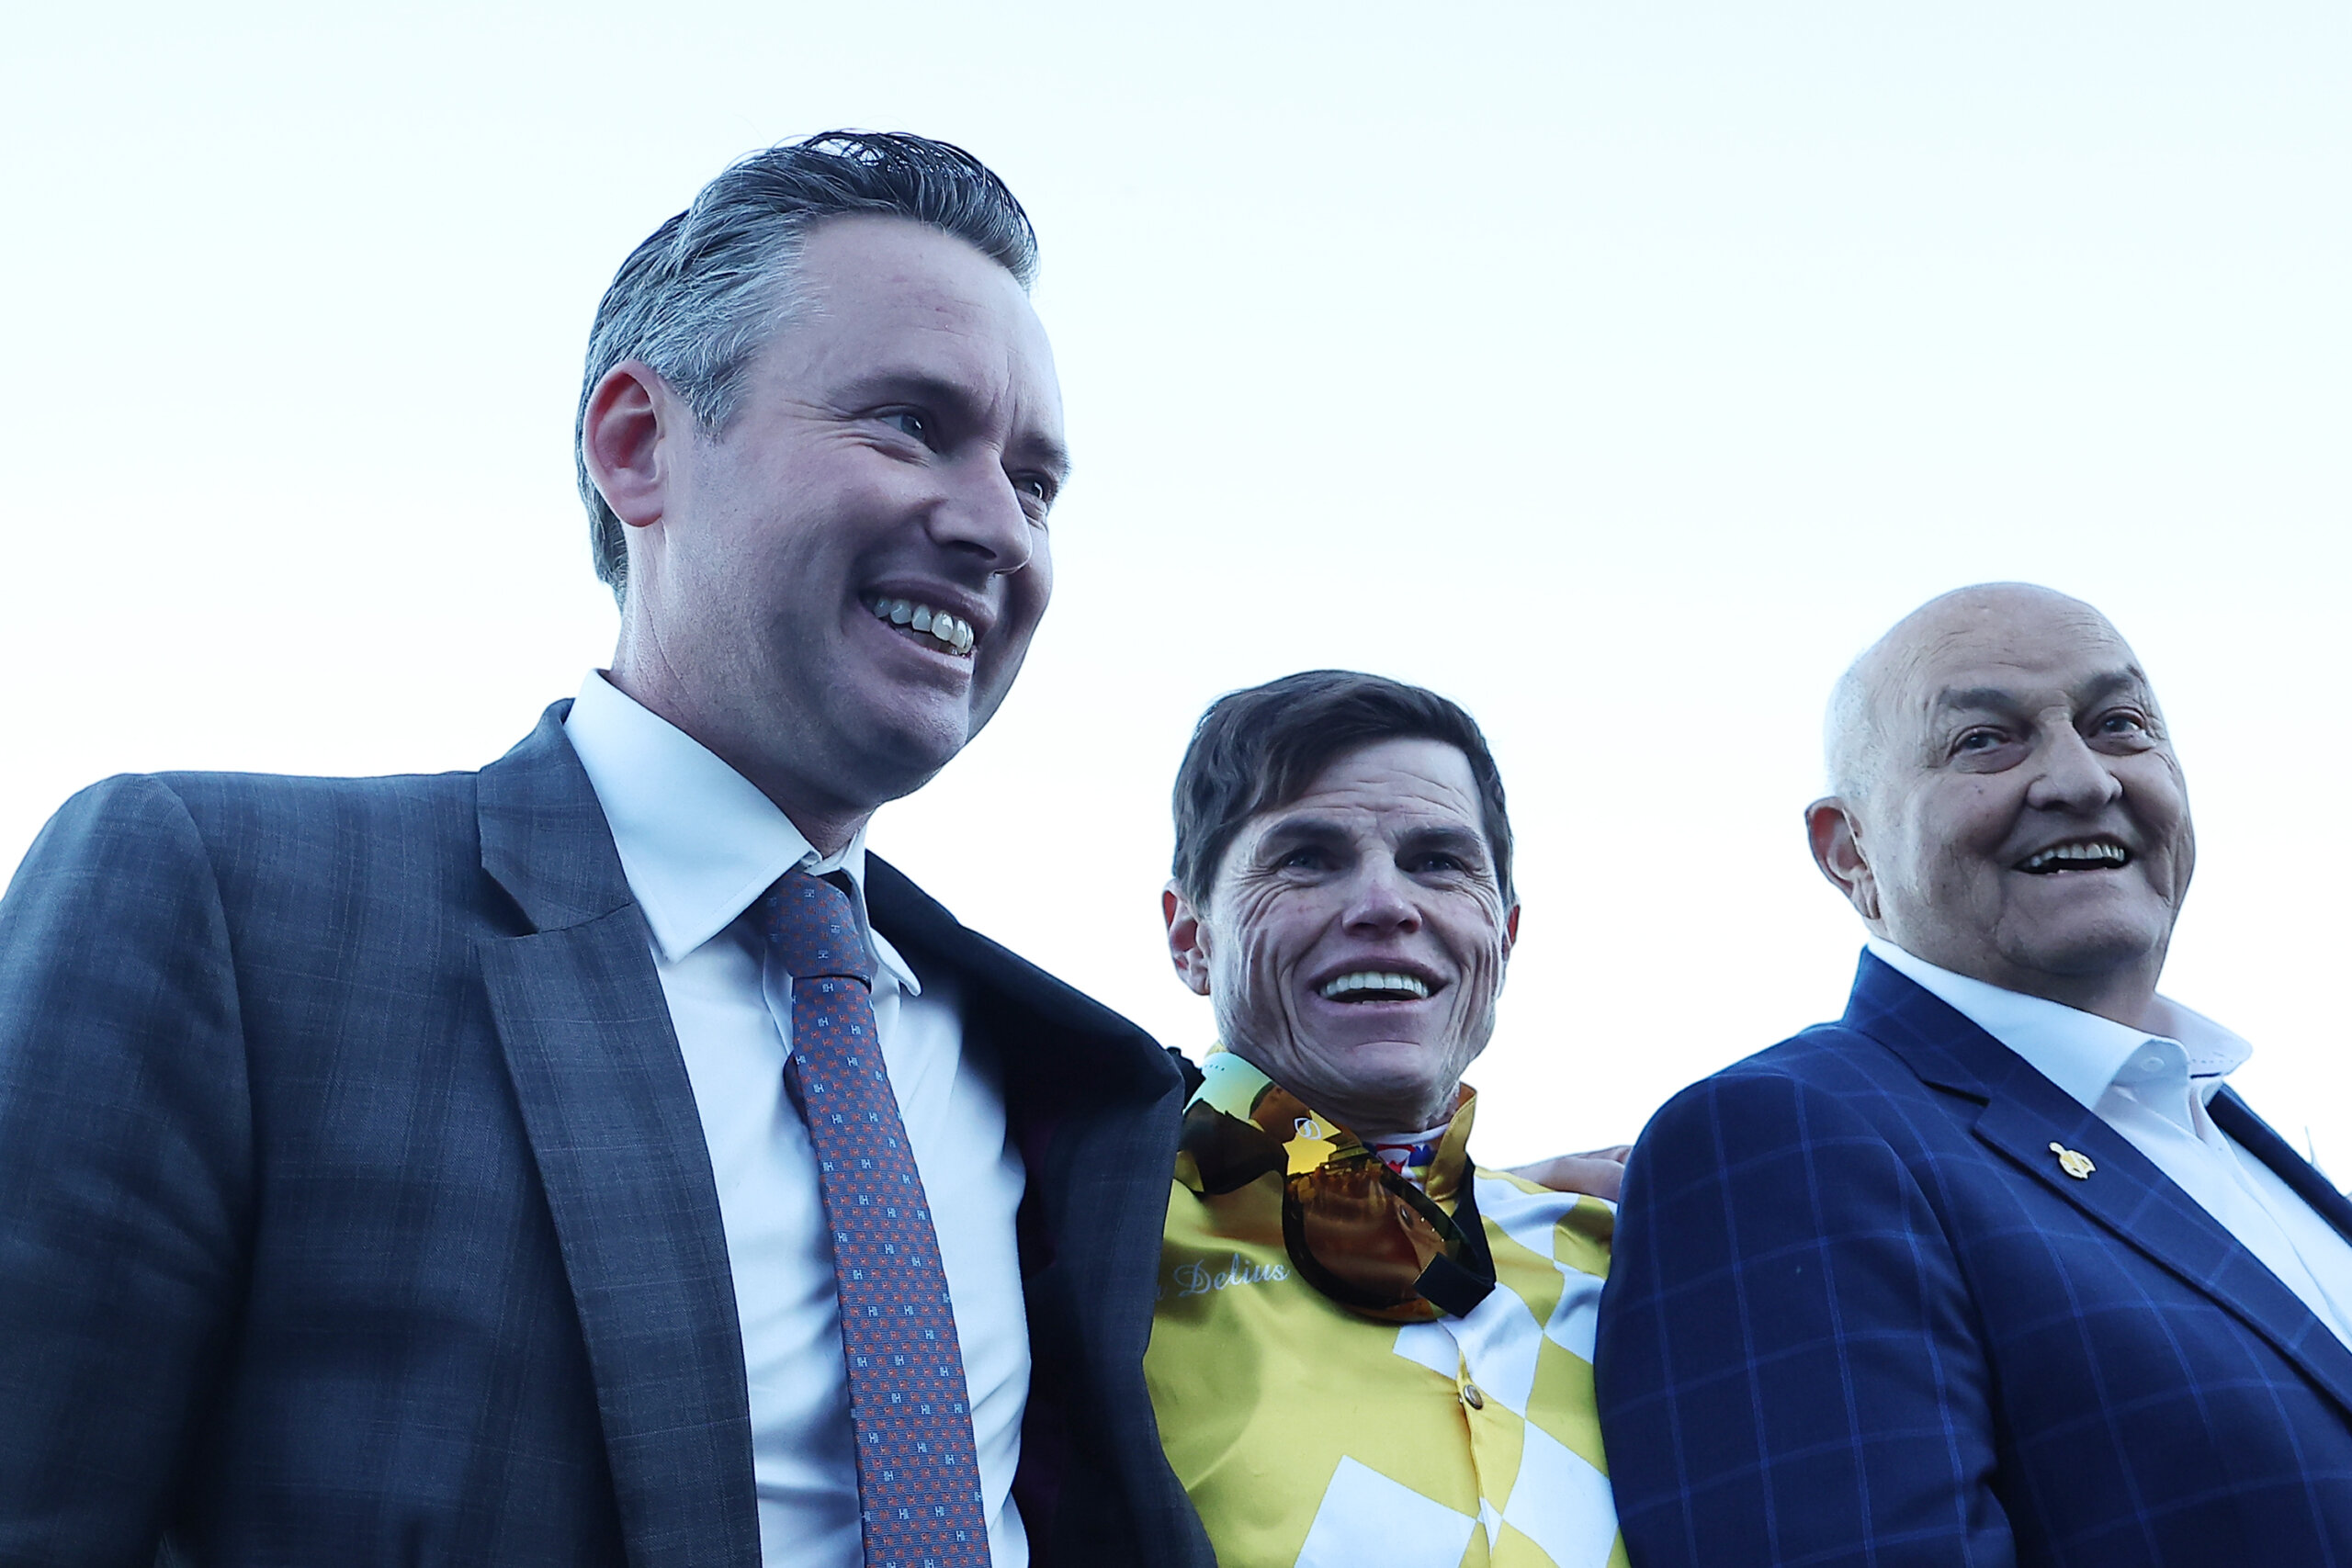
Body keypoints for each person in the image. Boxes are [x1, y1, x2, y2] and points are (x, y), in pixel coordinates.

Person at [0, 132, 1212, 1568]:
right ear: (638, 444)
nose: (996, 526)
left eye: (1037, 480)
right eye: (905, 423)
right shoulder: (219, 897)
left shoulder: (1061, 1071)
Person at [1599, 583, 2352, 1565]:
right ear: (1849, 852)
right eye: (1984, 741)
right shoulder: (1785, 1138)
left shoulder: (2238, 1139)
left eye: (2118, 724)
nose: (2082, 780)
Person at [1144, 671, 1626, 1568]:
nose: (1385, 905)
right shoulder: (1066, 1235)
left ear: (1503, 936)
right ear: (1191, 938)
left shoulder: (1621, 1250)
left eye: (1438, 861)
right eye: (1306, 857)